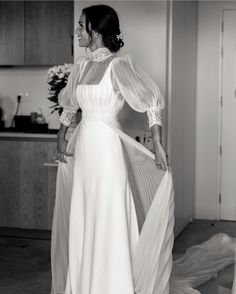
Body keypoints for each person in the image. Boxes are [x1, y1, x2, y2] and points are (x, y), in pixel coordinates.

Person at [50, 5, 235, 294]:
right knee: (84, 212)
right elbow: (70, 105)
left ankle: (113, 284)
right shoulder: (80, 67)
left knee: (108, 213)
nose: (76, 31)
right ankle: (82, 284)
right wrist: (61, 136)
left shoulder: (119, 67)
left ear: (95, 31)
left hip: (108, 152)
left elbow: (151, 102)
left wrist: (158, 143)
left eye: (81, 25)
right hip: (84, 148)